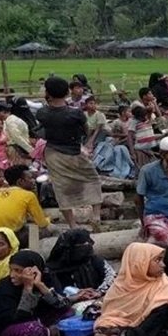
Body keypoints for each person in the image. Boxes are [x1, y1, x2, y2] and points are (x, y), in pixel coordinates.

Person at [37, 77, 102, 231]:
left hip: (53, 153)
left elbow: (41, 132)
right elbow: (86, 131)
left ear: (48, 93)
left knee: (61, 188)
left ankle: (72, 225)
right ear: (67, 92)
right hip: (74, 152)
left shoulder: (42, 113)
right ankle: (96, 216)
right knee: (92, 179)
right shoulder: (76, 114)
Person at [47, 229, 116, 301]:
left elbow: (112, 276)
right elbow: (52, 295)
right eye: (81, 245)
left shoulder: (93, 260)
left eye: (87, 244)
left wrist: (99, 292)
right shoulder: (51, 270)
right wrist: (77, 295)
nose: (86, 248)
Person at [0, 166, 50, 237]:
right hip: (12, 235)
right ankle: (34, 247)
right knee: (50, 230)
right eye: (30, 178)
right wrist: (49, 219)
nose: (33, 180)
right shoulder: (29, 195)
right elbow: (42, 223)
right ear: (20, 181)